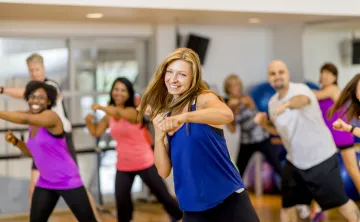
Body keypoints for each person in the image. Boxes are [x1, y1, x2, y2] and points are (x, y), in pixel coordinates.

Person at [137, 48, 260, 222]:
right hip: (193, 206)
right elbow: (163, 171)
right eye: (170, 72)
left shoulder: (202, 99)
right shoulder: (168, 114)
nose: (173, 79)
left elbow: (226, 114)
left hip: (228, 199)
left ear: (193, 78)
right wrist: (159, 136)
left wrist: (185, 117)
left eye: (181, 74)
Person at [254, 60, 360, 222]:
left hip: (321, 158)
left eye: (281, 72)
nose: (277, 76)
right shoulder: (272, 103)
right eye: (273, 74)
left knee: (341, 202)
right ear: (269, 78)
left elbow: (302, 100)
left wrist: (287, 104)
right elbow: (279, 130)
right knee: (287, 205)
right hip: (295, 161)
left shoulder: (301, 90)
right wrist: (264, 124)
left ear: (288, 74)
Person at [0, 53, 101, 220]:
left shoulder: (50, 116)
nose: (36, 100)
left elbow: (24, 117)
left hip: (67, 180)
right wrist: (16, 142)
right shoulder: (34, 121)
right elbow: (34, 152)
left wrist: (2, 91)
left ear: (48, 102)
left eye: (41, 97)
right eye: (32, 96)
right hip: (46, 182)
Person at [85, 77, 183, 222]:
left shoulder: (134, 111)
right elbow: (96, 131)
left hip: (145, 161)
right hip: (123, 165)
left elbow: (119, 113)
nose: (119, 93)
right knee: (122, 203)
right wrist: (88, 121)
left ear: (129, 94)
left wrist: (101, 107)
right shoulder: (108, 116)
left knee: (164, 197)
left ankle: (182, 217)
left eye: (123, 90)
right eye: (116, 89)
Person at [311, 63, 359, 221]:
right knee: (324, 173)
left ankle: (318, 208)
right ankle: (318, 208)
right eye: (323, 73)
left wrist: (295, 92)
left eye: (329, 74)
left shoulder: (330, 89)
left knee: (352, 170)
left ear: (335, 77)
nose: (325, 76)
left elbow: (313, 96)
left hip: (341, 136)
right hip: (329, 139)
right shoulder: (324, 91)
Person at [223, 74, 283, 177]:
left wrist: (232, 104)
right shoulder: (229, 107)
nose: (234, 88)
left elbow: (243, 103)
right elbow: (232, 129)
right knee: (237, 173)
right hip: (246, 142)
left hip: (261, 138)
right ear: (228, 89)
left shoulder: (246, 98)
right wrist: (227, 112)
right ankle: (235, 193)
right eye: (231, 86)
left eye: (236, 85)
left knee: (278, 167)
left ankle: (294, 190)